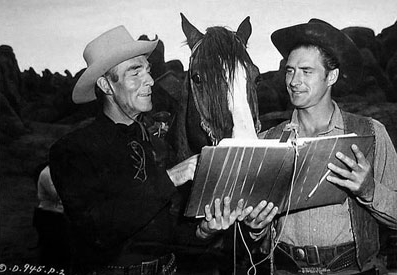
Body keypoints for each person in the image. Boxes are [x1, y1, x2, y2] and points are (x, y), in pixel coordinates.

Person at [49, 25, 238, 275]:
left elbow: (166, 231)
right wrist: (172, 177)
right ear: (106, 85)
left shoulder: (156, 145)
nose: (150, 80)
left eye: (147, 71)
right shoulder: (72, 150)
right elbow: (98, 231)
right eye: (135, 73)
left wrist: (204, 231)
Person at [241, 19, 397, 275]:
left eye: (306, 71)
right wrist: (255, 226)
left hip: (351, 269)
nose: (294, 81)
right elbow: (254, 235)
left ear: (331, 76)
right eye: (290, 71)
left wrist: (369, 190)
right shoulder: (266, 141)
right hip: (284, 269)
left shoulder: (371, 134)